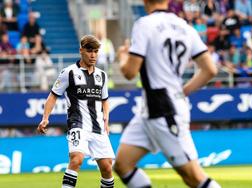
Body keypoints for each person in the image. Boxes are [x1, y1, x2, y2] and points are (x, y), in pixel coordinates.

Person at [114, 0, 221, 188]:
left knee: (195, 178)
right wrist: (183, 91)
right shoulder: (185, 27)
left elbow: (130, 72)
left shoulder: (144, 24)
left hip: (164, 110)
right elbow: (210, 70)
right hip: (152, 109)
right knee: (123, 164)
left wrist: (123, 57)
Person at [37, 35, 115, 188]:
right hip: (77, 124)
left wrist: (106, 118)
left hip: (98, 127)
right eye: (89, 51)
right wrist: (45, 118)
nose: (93, 55)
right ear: (81, 51)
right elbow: (52, 96)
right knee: (76, 159)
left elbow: (105, 100)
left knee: (107, 167)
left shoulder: (102, 76)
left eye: (96, 51)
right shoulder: (69, 72)